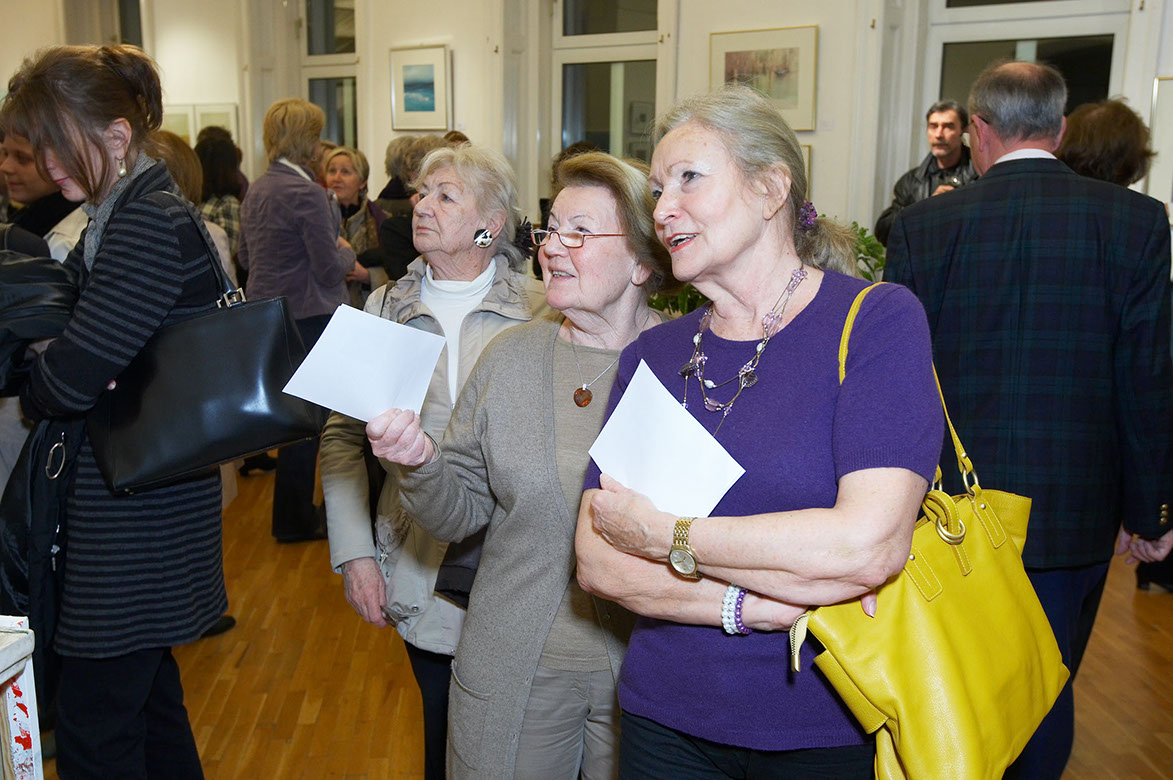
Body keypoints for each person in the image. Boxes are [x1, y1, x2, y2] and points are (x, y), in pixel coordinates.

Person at [574, 84, 944, 778]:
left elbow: (865, 546)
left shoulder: (875, 321)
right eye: (656, 189)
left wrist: (665, 537)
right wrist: (750, 605)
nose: (662, 208)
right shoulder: (652, 356)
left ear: (771, 188)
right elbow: (598, 560)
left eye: (688, 178)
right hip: (664, 717)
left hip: (827, 719)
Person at [884, 61, 1173, 779]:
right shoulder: (1135, 221)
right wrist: (1150, 514)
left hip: (949, 510)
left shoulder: (921, 227)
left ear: (977, 130)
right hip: (1075, 511)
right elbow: (1147, 379)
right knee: (1046, 687)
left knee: (955, 684)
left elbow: (896, 383)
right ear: (1061, 129)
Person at [364, 152, 675, 778]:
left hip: (651, 670)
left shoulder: (688, 366)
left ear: (643, 262)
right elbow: (458, 515)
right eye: (551, 229)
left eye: (580, 233)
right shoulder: (511, 357)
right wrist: (419, 463)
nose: (553, 248)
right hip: (514, 666)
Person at [0, 43, 227, 777]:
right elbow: (73, 356)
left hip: (138, 521)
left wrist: (49, 372)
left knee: (96, 726)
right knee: (149, 709)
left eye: (57, 144)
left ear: (117, 136)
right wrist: (61, 360)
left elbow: (66, 382)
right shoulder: (120, 213)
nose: (47, 163)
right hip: (144, 503)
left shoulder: (142, 222)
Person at [320, 142, 547, 780]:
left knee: (527, 748)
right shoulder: (383, 308)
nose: (421, 205)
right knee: (443, 738)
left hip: (521, 567)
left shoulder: (543, 310)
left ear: (490, 225)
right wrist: (355, 554)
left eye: (446, 196)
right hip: (420, 562)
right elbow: (341, 438)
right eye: (423, 193)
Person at [238, 98, 362, 543]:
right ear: (307, 140)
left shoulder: (258, 188)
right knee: (311, 423)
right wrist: (348, 250)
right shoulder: (306, 193)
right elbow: (329, 270)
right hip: (310, 316)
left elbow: (245, 257)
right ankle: (295, 520)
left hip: (269, 316)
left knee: (293, 421)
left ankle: (290, 517)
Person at [873, 99, 977, 246]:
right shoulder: (911, 182)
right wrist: (926, 207)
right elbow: (884, 232)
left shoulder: (982, 173)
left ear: (962, 131)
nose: (939, 134)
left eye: (948, 126)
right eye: (933, 126)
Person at [1, 130, 87, 260]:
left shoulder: (65, 245)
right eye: (5, 154)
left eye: (23, 159)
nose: (5, 167)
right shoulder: (25, 220)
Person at [323, 145, 389, 306]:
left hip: (366, 308)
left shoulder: (382, 220)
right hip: (325, 307)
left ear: (362, 182)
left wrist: (368, 276)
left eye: (345, 172)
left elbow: (397, 273)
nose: (336, 178)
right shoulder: (315, 220)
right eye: (332, 171)